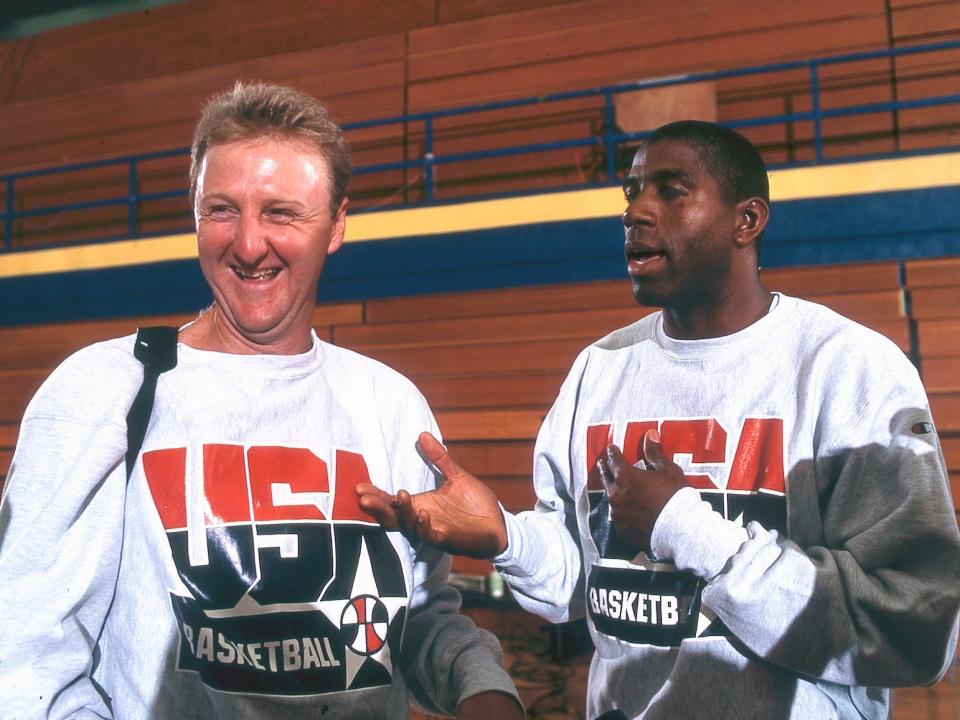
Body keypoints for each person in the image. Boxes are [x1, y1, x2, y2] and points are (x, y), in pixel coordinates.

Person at [358, 120, 960, 719]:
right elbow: (583, 582)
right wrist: (506, 539)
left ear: (745, 221)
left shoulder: (847, 368)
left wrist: (684, 526)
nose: (636, 212)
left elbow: (916, 627)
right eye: (632, 191)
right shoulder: (600, 369)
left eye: (671, 190)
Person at [0, 82, 523, 720]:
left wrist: (483, 689)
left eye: (280, 213)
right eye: (222, 210)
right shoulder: (103, 391)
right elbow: (26, 659)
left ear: (335, 225)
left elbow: (410, 623)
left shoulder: (389, 405)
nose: (248, 246)